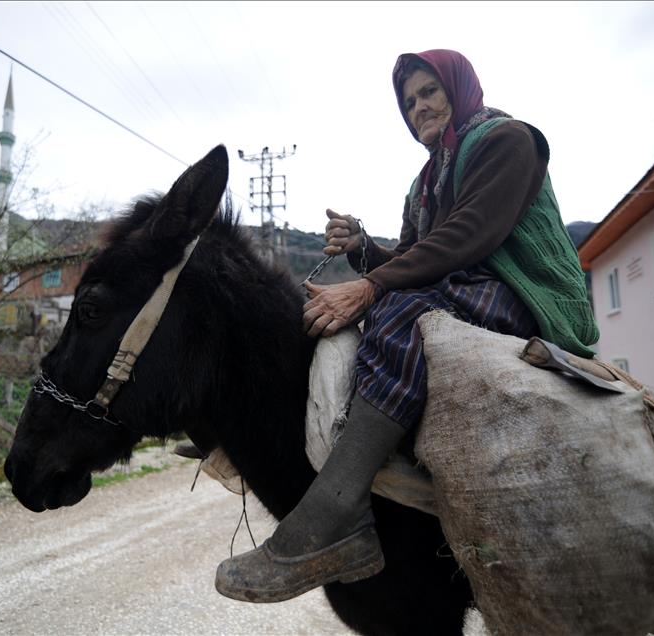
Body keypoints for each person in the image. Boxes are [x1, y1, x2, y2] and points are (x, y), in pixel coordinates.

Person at [215, 49, 598, 602]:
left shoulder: (507, 141)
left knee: (398, 310)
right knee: (364, 317)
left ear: (458, 88)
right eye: (409, 101)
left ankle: (337, 509)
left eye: (429, 92)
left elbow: (468, 236)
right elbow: (416, 258)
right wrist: (363, 251)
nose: (419, 107)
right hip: (464, 290)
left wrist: (369, 288)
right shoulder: (423, 184)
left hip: (529, 293)